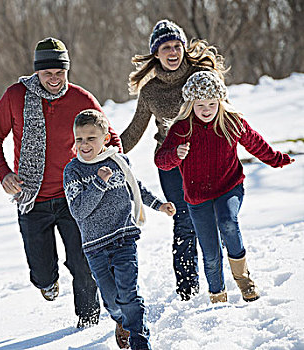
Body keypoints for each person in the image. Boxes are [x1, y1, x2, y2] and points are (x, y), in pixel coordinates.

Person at [0, 37, 123, 327]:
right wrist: (4, 173)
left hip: (76, 197)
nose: (55, 80)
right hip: (32, 197)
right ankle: (46, 282)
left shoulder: (81, 99)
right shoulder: (15, 97)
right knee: (42, 272)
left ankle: (88, 322)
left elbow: (110, 136)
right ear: (37, 72)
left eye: (60, 73)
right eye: (48, 74)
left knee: (82, 265)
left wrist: (113, 163)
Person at [155, 71, 294, 303]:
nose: (207, 109)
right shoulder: (182, 128)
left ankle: (244, 281)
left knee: (228, 222)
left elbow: (255, 143)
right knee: (210, 253)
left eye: (212, 103)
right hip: (197, 196)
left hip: (229, 187)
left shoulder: (231, 122)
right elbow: (161, 160)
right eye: (200, 104)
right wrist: (175, 155)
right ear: (190, 104)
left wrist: (276, 159)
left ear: (220, 101)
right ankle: (217, 295)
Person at [119, 19, 228, 301]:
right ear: (156, 53)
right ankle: (187, 290)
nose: (172, 52)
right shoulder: (150, 91)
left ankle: (218, 279)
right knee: (183, 220)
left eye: (177, 46)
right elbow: (134, 131)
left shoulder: (201, 75)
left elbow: (223, 110)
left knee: (211, 217)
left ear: (183, 48)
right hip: (170, 161)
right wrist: (108, 150)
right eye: (166, 47)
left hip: (205, 158)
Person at [64, 109, 176, 349]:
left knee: (128, 295)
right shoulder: (72, 171)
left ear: (105, 139)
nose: (84, 144)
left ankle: (139, 340)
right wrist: (98, 183)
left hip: (124, 238)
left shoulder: (118, 161)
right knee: (113, 301)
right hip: (95, 247)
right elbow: (78, 211)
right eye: (79, 139)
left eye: (91, 138)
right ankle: (121, 321)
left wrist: (158, 204)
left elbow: (135, 188)